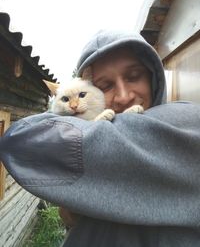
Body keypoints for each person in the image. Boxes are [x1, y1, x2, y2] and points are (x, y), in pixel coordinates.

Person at [1, 29, 200, 247]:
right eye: (105, 86)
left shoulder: (188, 122)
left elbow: (21, 138)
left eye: (134, 76)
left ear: (153, 75)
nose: (124, 97)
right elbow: (17, 139)